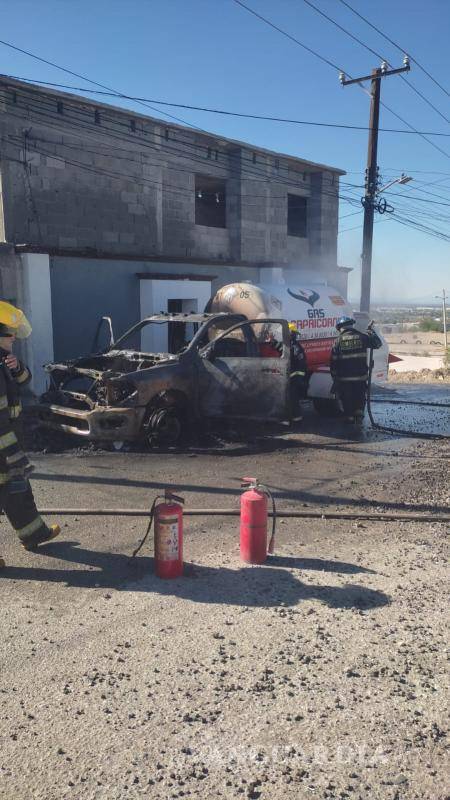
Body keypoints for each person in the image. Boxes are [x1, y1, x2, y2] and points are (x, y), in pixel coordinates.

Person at [0, 301, 60, 569]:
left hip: (8, 438)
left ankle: (33, 534)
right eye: (8, 333)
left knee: (17, 489)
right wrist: (12, 452)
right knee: (12, 487)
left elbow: (24, 380)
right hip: (4, 442)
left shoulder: (3, 360)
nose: (13, 338)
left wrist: (16, 367)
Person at [330, 316, 382, 424]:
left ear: (340, 328)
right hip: (360, 377)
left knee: (347, 398)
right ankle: (359, 417)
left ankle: (349, 419)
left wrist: (335, 377)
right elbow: (377, 344)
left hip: (344, 378)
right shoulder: (362, 337)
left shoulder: (337, 341)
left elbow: (333, 361)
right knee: (359, 397)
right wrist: (371, 333)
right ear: (351, 325)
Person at [288, 322, 308, 422]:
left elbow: (301, 362)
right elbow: (283, 350)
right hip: (293, 376)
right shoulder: (291, 345)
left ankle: (297, 418)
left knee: (293, 397)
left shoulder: (295, 346)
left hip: (295, 377)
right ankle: (293, 417)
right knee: (291, 397)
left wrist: (298, 378)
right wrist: (273, 342)